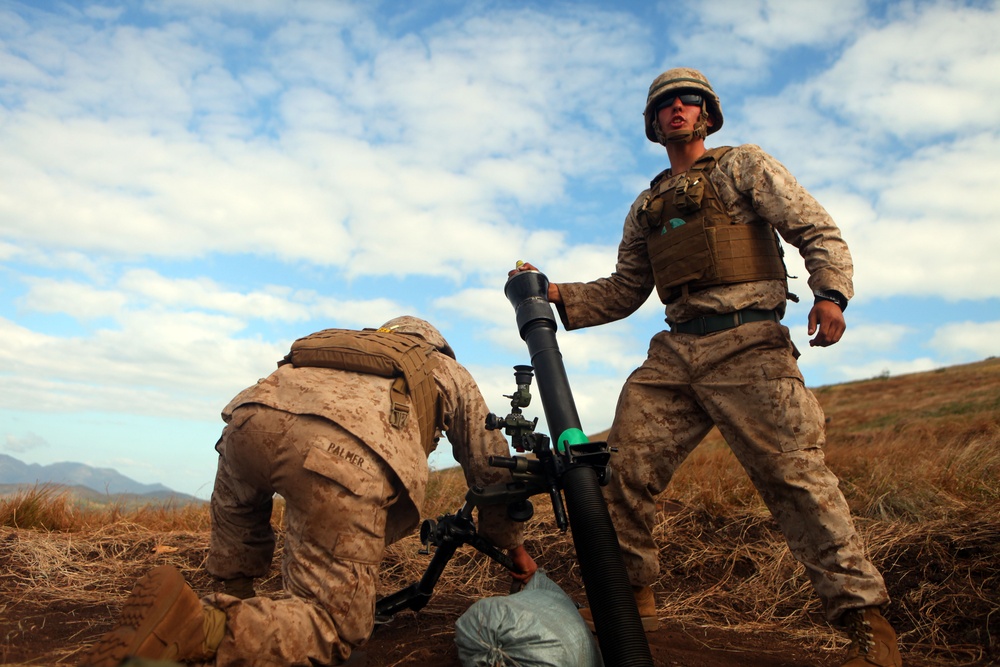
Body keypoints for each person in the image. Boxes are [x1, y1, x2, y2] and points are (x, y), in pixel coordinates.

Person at [511, 68, 901, 667]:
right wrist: (554, 291)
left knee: (797, 481)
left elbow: (814, 228)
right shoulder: (646, 206)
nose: (677, 109)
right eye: (665, 104)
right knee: (620, 467)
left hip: (750, 344)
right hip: (676, 351)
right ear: (653, 122)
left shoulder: (743, 166)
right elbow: (624, 289)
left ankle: (867, 625)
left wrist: (831, 294)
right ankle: (631, 597)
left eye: (688, 101)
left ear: (707, 114)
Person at [79, 316, 538, 667]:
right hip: (342, 450)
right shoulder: (446, 370)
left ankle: (231, 605)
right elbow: (489, 469)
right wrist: (511, 546)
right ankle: (201, 626)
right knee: (337, 625)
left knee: (246, 513)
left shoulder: (340, 342)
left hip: (247, 421)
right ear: (438, 345)